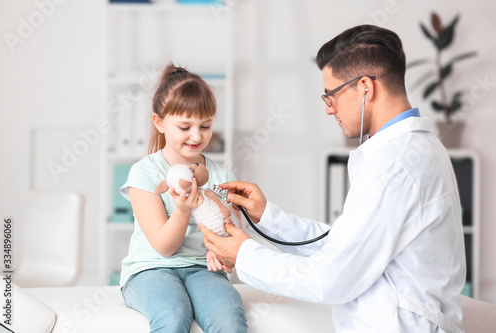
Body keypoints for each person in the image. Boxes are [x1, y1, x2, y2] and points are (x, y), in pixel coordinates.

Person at [199, 25, 466, 332]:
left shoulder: (396, 166)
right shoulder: (413, 150)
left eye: (331, 95)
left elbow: (332, 278)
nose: (329, 109)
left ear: (365, 86)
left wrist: (244, 254)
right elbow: (346, 247)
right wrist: (267, 217)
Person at [119, 63, 248, 333]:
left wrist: (222, 253)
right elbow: (164, 248)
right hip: (151, 269)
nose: (196, 135)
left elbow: (229, 230)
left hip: (204, 269)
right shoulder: (144, 174)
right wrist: (182, 210)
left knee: (229, 318)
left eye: (205, 125)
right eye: (185, 126)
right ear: (159, 122)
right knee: (172, 315)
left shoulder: (220, 173)